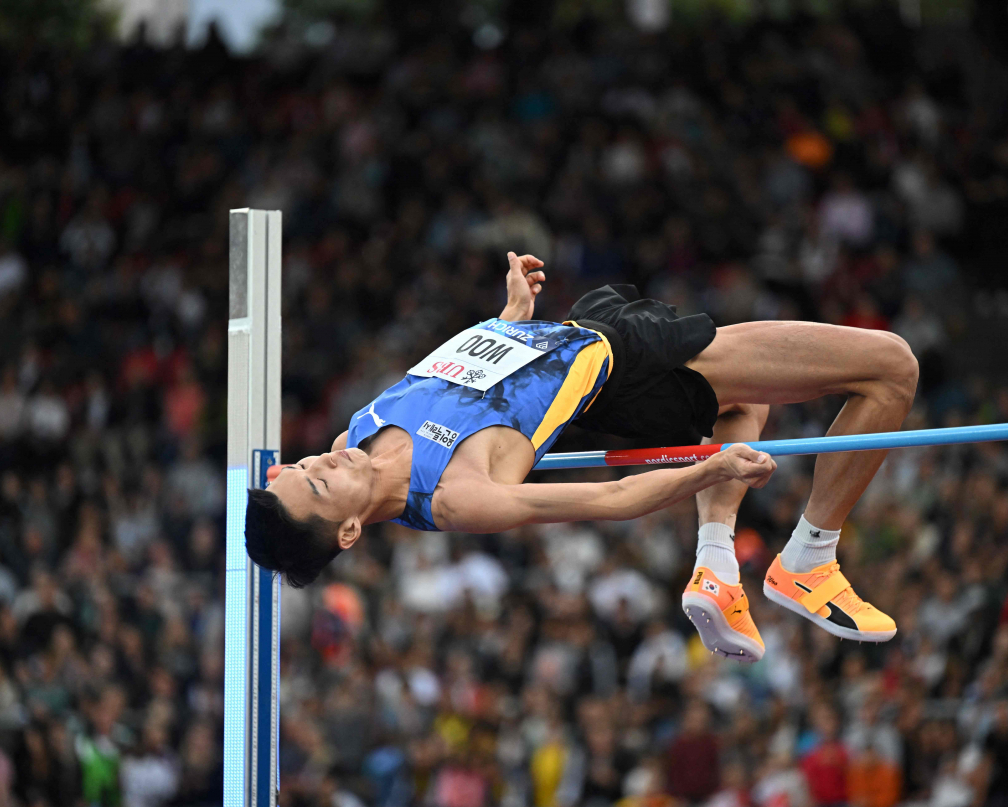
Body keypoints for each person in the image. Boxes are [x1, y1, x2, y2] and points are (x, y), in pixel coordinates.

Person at [248, 253, 916, 660]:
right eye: (318, 486)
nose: (319, 465)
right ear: (348, 530)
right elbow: (609, 499)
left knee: (743, 401)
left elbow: (453, 382)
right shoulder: (455, 494)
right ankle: (808, 559)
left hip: (590, 333)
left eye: (303, 467)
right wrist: (707, 469)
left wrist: (508, 317)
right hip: (629, 372)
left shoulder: (352, 437)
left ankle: (716, 567)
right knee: (890, 367)